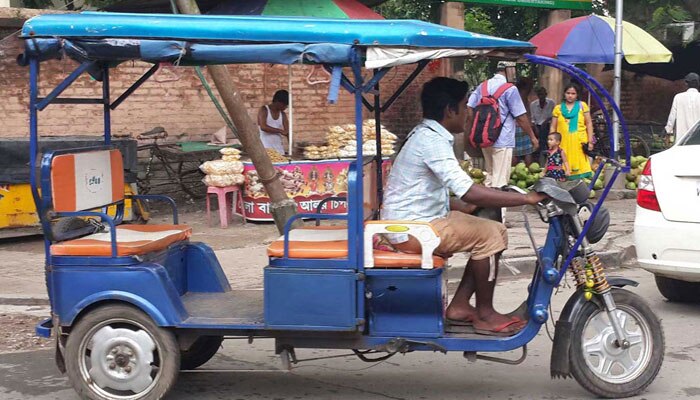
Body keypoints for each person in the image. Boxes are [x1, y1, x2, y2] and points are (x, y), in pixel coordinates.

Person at [382, 77, 546, 336]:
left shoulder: (428, 134)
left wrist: (462, 205)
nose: (468, 114)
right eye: (463, 107)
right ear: (450, 110)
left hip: (417, 221)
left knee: (487, 222)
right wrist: (526, 198)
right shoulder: (431, 141)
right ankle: (485, 314)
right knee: (493, 234)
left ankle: (459, 306)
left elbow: (426, 191)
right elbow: (468, 189)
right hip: (413, 229)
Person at [467, 62, 538, 224]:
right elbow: (520, 116)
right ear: (508, 70)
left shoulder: (482, 87)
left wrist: (476, 131)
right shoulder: (509, 89)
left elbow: (470, 109)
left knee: (490, 176)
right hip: (503, 139)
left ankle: (483, 215)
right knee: (501, 181)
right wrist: (532, 137)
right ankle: (499, 220)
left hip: (486, 139)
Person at [550, 84, 594, 180]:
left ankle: (579, 187)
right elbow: (553, 126)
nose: (570, 95)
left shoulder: (582, 106)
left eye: (573, 93)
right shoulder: (558, 108)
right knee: (562, 163)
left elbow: (589, 124)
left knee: (580, 167)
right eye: (568, 93)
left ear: (577, 95)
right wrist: (551, 142)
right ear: (564, 94)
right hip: (562, 142)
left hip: (579, 141)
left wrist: (590, 141)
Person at [665, 72, 700, 146]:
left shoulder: (678, 97)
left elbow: (672, 117)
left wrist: (668, 132)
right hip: (698, 140)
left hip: (681, 140)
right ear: (698, 84)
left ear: (686, 83)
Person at [512, 77, 536, 166]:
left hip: (514, 126)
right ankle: (528, 170)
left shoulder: (514, 94)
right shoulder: (524, 96)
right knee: (528, 151)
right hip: (523, 125)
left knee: (514, 151)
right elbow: (526, 113)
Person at [257, 90, 289, 154]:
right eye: (284, 105)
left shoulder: (283, 114)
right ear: (277, 102)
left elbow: (287, 132)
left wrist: (291, 146)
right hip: (265, 148)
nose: (285, 107)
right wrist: (280, 131)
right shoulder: (264, 110)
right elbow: (263, 127)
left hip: (279, 149)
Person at [530, 86, 555, 162]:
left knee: (548, 143)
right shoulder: (533, 104)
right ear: (537, 95)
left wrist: (546, 121)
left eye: (543, 94)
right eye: (539, 94)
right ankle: (537, 161)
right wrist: (535, 127)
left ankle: (548, 160)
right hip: (537, 126)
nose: (541, 96)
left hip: (547, 126)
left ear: (546, 94)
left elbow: (553, 116)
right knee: (537, 144)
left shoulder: (551, 103)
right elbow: (533, 119)